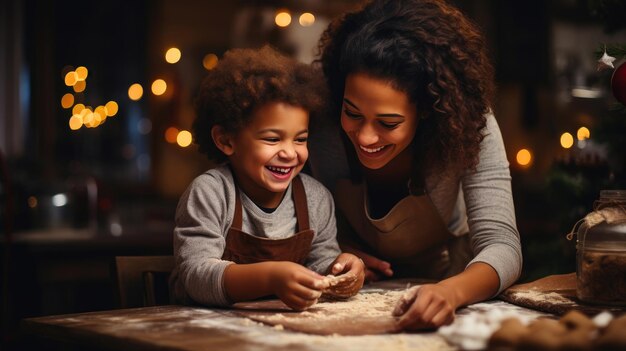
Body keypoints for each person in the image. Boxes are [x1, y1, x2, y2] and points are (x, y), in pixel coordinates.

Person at [309, 0, 522, 329]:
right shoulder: (320, 118)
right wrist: (337, 251)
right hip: (349, 300)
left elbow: (503, 245)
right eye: (352, 113)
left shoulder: (469, 123)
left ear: (426, 109)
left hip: (450, 280)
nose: (365, 137)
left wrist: (450, 293)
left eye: (388, 122)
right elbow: (300, 216)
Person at [170, 46, 365, 311]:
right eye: (272, 139)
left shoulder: (315, 198)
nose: (289, 152)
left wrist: (341, 269)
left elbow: (320, 264)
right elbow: (196, 275)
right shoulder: (210, 193)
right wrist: (271, 278)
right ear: (226, 140)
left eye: (300, 139)